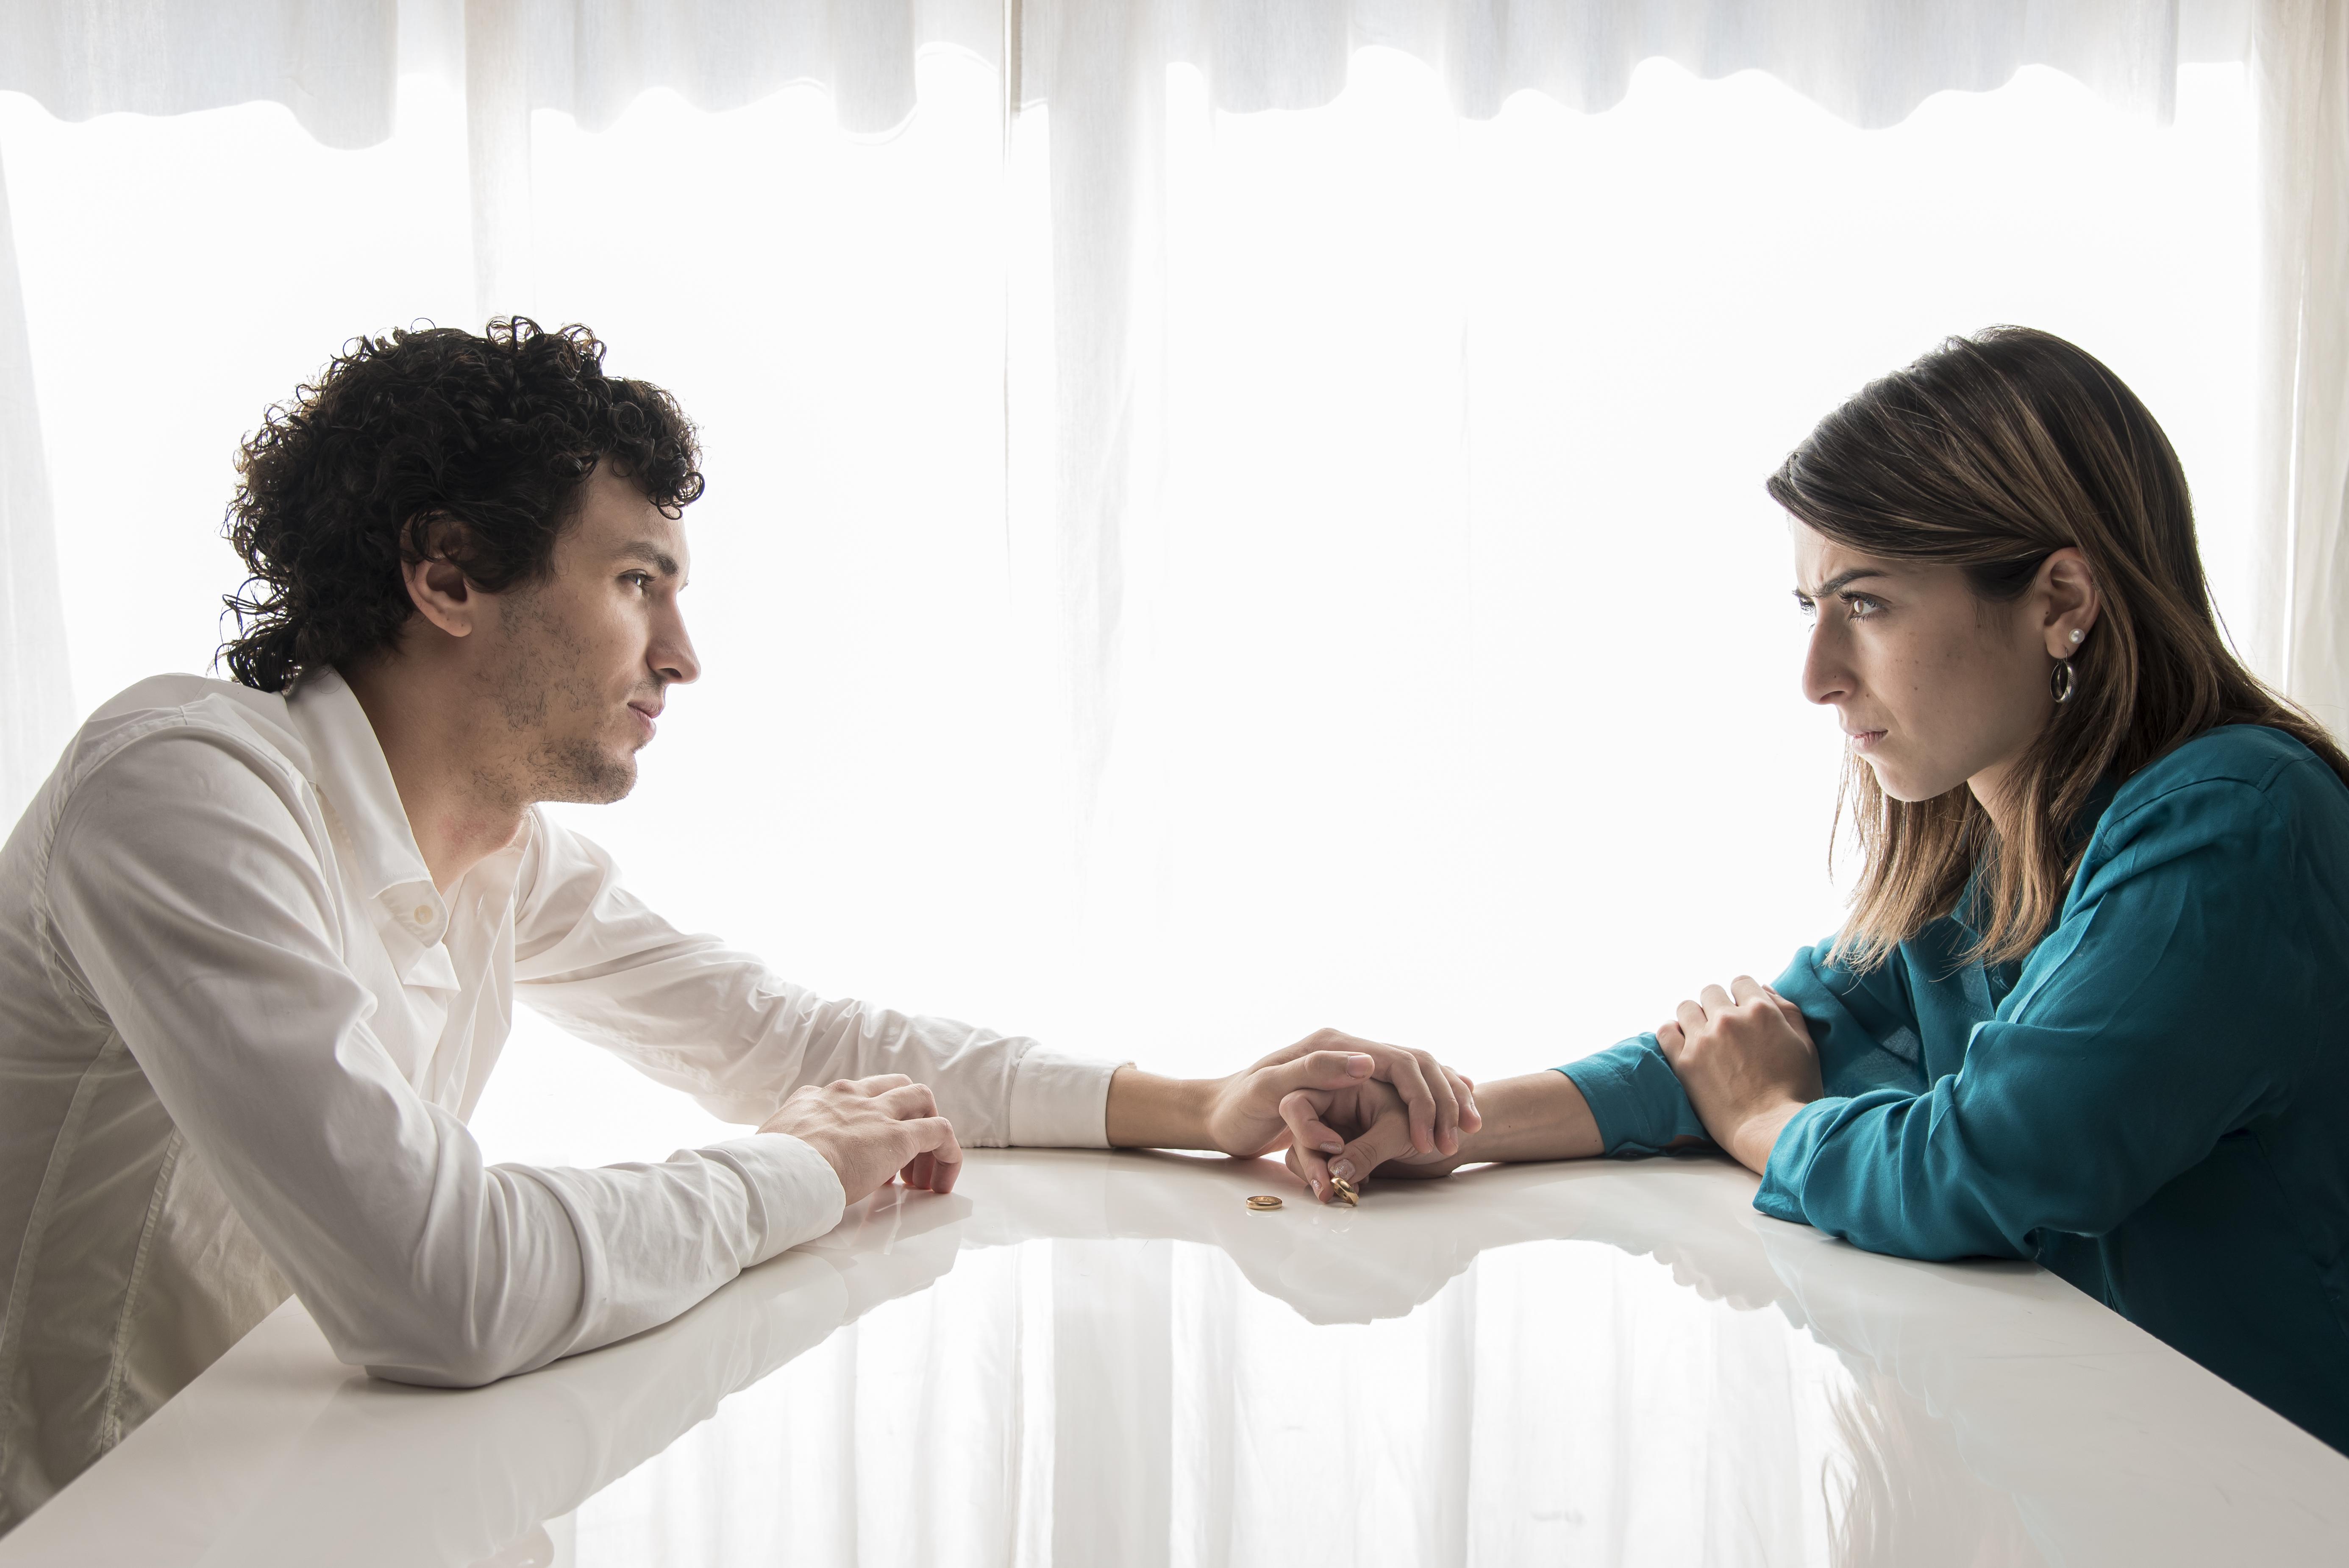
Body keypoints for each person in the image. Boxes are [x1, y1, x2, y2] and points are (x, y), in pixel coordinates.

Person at [0, 318, 1477, 1533]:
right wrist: (801, 1168)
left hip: (293, 1496)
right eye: (637, 582)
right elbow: (436, 1290)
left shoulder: (502, 855)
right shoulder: (181, 789)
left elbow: (791, 1038)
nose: (682, 656)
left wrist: (1198, 1101)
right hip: (89, 1520)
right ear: (448, 574)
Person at [1283, 327, 2349, 1453]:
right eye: (1810, 608)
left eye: (1868, 604)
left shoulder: (2237, 823)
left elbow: (1985, 1169)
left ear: (2061, 599)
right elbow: (1750, 1044)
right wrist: (1453, 1121)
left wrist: (1766, 1120)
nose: (1817, 677)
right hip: (2110, 1469)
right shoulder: (1991, 850)